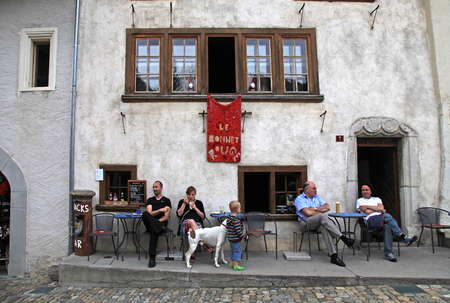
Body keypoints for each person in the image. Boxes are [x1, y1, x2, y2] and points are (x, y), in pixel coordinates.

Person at [295, 181, 355, 267]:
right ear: (307, 189)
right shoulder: (300, 199)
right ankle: (343, 237)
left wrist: (314, 209)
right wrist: (319, 212)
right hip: (305, 223)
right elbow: (307, 213)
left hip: (318, 223)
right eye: (314, 188)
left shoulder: (317, 197)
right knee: (323, 217)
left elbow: (327, 207)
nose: (316, 190)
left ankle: (333, 256)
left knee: (325, 227)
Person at [356, 184, 418, 262]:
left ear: (371, 191)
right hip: (371, 220)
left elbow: (381, 208)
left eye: (367, 190)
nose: (365, 192)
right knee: (387, 216)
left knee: (387, 226)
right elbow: (368, 212)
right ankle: (402, 236)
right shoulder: (360, 200)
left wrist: (368, 206)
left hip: (382, 219)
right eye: (363, 190)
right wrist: (378, 209)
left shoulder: (377, 199)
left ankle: (389, 253)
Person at [176, 186, 213, 263]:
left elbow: (203, 217)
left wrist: (195, 208)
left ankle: (191, 255)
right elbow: (179, 214)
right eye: (189, 194)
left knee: (191, 230)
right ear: (187, 194)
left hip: (197, 225)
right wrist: (184, 204)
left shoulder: (199, 203)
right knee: (191, 221)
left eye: (192, 194)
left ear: (195, 195)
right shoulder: (182, 202)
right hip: (185, 224)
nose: (191, 196)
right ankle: (204, 243)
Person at [141, 181, 173, 268]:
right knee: (144, 214)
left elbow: (166, 217)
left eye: (156, 187)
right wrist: (160, 210)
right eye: (153, 187)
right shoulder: (150, 200)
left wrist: (155, 223)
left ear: (161, 188)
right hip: (155, 225)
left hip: (156, 225)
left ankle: (152, 258)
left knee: (153, 229)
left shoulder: (166, 201)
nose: (154, 189)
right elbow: (149, 214)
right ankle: (162, 227)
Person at [226, 201, 247, 271]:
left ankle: (231, 263)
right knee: (237, 251)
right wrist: (244, 236)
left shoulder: (229, 219)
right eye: (240, 208)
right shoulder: (236, 220)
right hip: (236, 239)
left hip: (231, 238)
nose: (240, 209)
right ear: (237, 210)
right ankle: (236, 265)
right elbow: (238, 231)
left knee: (232, 250)